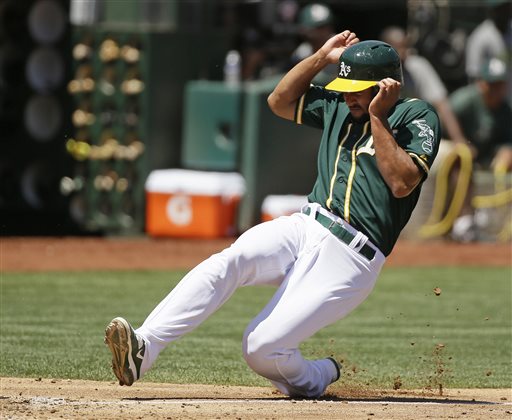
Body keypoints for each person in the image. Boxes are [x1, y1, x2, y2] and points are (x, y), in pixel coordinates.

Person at [104, 32, 441, 398]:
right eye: (345, 86)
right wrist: (320, 59)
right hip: (305, 225)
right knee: (230, 261)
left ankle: (319, 374)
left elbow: (402, 182)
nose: (348, 95)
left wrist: (377, 115)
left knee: (260, 347)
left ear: (385, 86)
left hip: (351, 257)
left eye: (358, 88)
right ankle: (144, 348)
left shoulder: (416, 116)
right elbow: (279, 101)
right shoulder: (339, 107)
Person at [448, 57, 512, 241]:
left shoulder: (505, 108)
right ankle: (464, 221)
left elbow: (507, 138)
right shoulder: (466, 99)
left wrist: (507, 149)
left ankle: (495, 221)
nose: (496, 89)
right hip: (455, 152)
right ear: (482, 83)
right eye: (492, 84)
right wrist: (460, 141)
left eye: (500, 84)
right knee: (461, 159)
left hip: (485, 158)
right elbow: (443, 116)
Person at [380, 26, 470, 148]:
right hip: (381, 133)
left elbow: (442, 104)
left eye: (405, 47)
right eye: (397, 48)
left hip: (414, 134)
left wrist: (459, 141)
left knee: (452, 155)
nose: (403, 53)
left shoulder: (417, 66)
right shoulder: (374, 71)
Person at [290, 3, 338, 86]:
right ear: (305, 30)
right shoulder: (301, 53)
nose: (325, 31)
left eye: (327, 26)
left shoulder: (343, 46)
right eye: (319, 27)